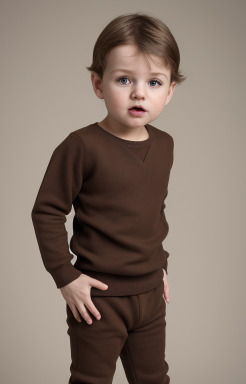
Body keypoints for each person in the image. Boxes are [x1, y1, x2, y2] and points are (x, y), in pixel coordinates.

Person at [31, 12, 185, 384]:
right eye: (124, 80)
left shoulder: (164, 145)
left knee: (154, 378)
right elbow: (47, 212)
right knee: (91, 379)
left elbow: (151, 211)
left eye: (154, 82)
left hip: (149, 294)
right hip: (98, 298)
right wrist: (65, 275)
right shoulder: (81, 146)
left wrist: (161, 264)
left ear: (170, 91)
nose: (139, 92)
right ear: (98, 85)